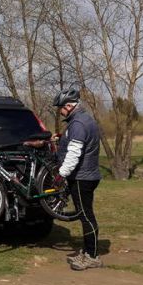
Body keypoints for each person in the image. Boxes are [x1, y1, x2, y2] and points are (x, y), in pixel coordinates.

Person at [52, 86, 103, 270]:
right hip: (86, 175)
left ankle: (92, 256)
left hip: (82, 177)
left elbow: (74, 152)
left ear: (70, 105)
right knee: (86, 215)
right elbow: (73, 142)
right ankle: (89, 251)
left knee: (86, 216)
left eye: (61, 107)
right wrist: (61, 139)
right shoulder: (82, 120)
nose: (60, 111)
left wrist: (61, 174)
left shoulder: (79, 123)